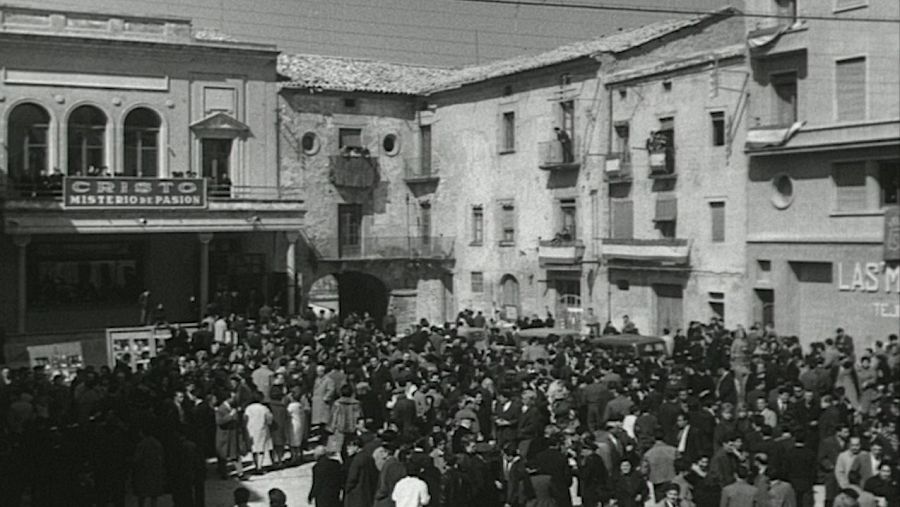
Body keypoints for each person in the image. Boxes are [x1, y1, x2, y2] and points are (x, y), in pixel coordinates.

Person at [133, 426, 166, 507]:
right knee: (153, 495)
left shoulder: (141, 444)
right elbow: (162, 457)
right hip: (155, 470)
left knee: (141, 494)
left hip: (143, 471)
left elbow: (137, 459)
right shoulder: (157, 443)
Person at [245, 391, 274, 473]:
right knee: (261, 448)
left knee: (253, 448)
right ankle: (260, 466)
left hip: (250, 429)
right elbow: (269, 419)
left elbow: (245, 418)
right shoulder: (264, 408)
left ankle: (255, 464)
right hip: (262, 429)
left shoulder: (248, 408)